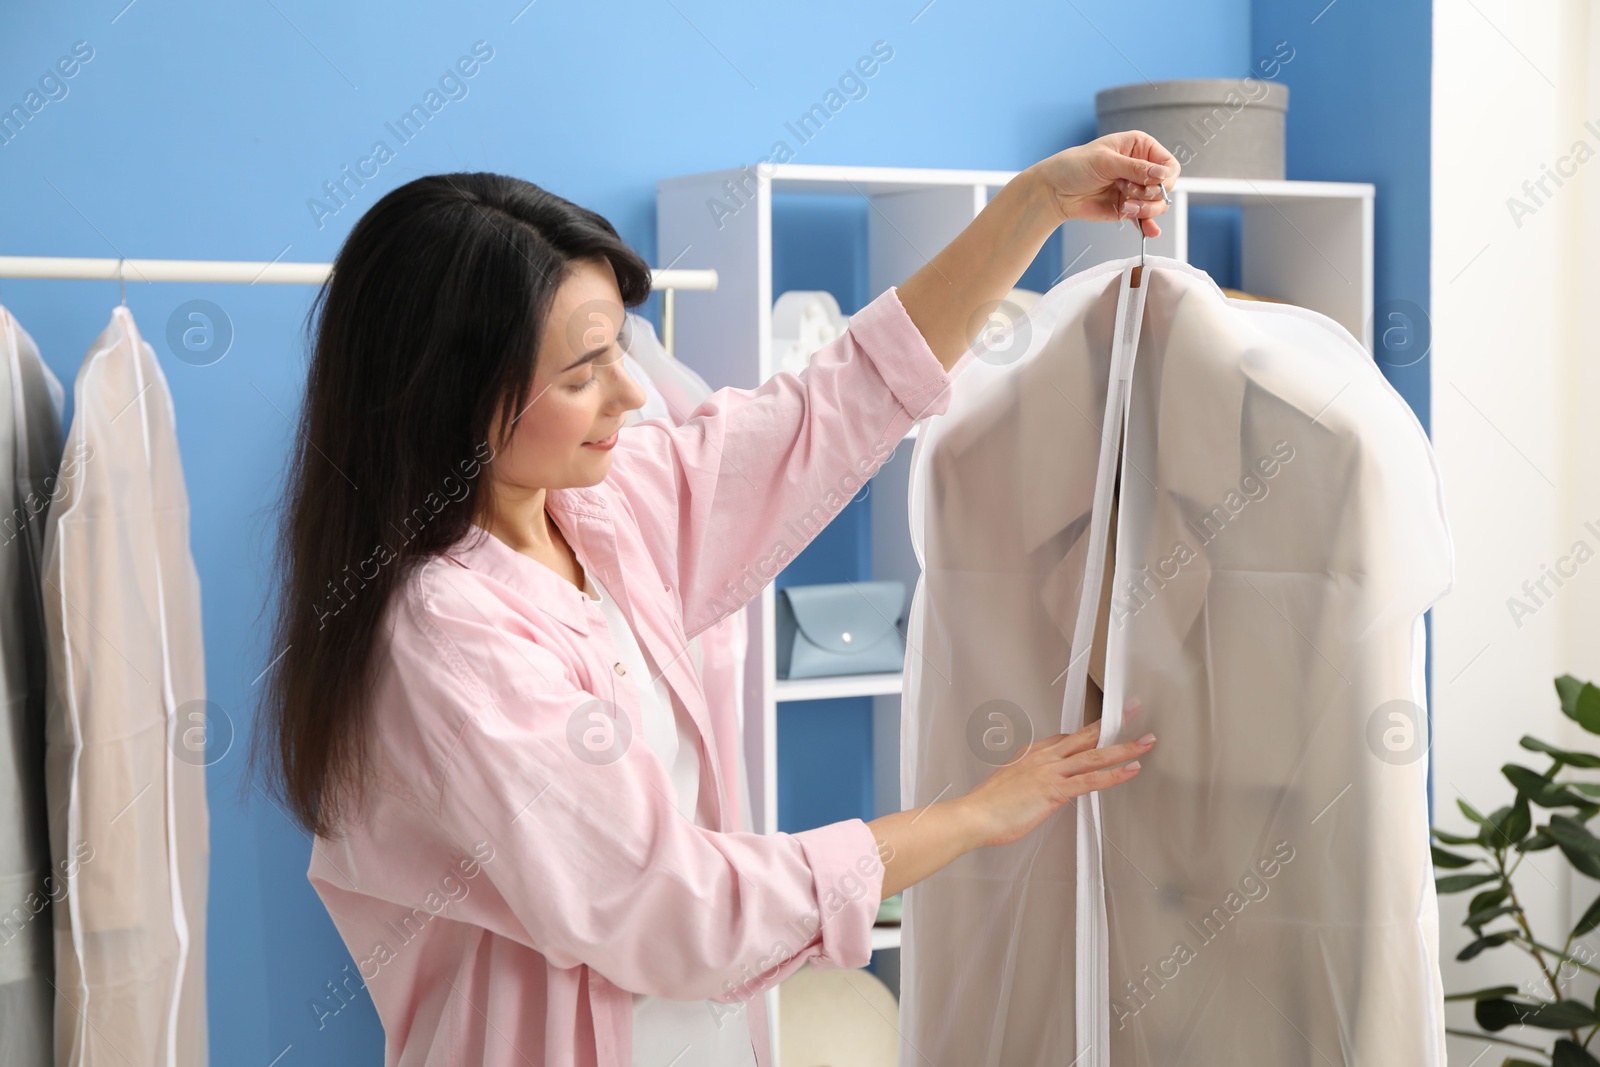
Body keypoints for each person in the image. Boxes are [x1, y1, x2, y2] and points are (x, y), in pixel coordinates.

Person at [253, 130, 1179, 1067]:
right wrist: (968, 817)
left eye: (619, 351)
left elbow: (838, 399)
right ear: (453, 400)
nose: (628, 394)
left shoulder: (601, 512)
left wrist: (1037, 202)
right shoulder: (445, 639)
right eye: (582, 374)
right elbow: (666, 901)